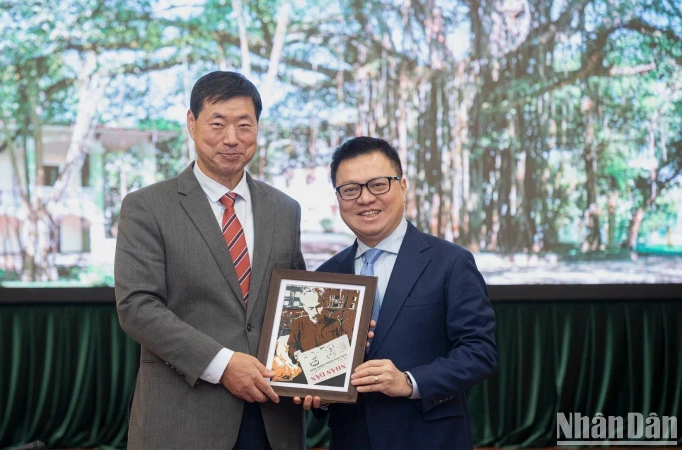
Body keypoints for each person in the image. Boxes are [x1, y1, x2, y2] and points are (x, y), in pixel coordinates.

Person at [115, 71, 306, 450]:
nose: (231, 138)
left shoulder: (285, 209)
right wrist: (222, 364)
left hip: (272, 417)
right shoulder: (147, 207)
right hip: (184, 417)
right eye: (217, 123)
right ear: (191, 123)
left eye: (244, 125)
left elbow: (294, 305)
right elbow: (137, 306)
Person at [296, 136, 497, 449]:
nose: (365, 199)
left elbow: (480, 352)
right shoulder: (326, 276)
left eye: (378, 184)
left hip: (431, 438)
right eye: (350, 189)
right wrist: (320, 395)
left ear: (402, 186)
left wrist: (409, 382)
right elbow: (318, 371)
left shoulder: (450, 262)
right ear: (338, 198)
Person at [286, 288, 349, 386]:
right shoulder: (298, 323)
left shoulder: (335, 323)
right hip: (309, 372)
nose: (315, 312)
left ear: (324, 304)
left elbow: (344, 347)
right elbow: (292, 347)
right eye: (311, 308)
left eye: (318, 307)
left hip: (334, 372)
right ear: (305, 307)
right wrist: (295, 354)